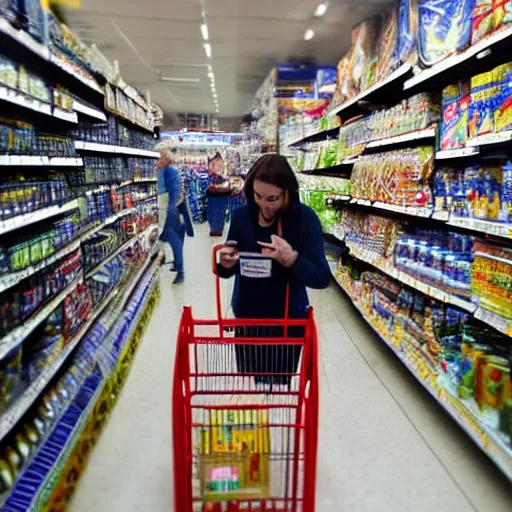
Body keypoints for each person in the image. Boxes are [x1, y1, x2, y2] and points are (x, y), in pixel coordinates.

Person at [217, 154, 330, 386]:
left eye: (273, 199)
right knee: (252, 382)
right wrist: (225, 264)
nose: (264, 205)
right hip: (248, 319)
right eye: (258, 196)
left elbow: (321, 278)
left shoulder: (305, 220)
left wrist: (292, 259)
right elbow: (230, 266)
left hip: (288, 322)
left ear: (288, 193)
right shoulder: (241, 217)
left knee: (281, 387)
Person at [156, 144, 194, 284]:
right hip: (166, 210)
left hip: (170, 212)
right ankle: (176, 265)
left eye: (158, 157)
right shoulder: (163, 171)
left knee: (175, 241)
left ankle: (181, 271)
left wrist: (169, 210)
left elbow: (174, 193)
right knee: (171, 240)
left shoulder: (169, 171)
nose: (156, 161)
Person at [206, 152, 231, 236]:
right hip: (218, 195)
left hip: (216, 195)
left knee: (216, 211)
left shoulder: (214, 165)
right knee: (218, 212)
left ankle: (216, 229)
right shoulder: (217, 174)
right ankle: (217, 229)